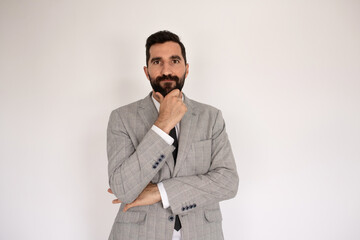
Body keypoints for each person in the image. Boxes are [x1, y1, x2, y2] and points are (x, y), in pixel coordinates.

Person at [107, 30, 239, 240]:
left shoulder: (211, 117)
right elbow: (123, 188)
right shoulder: (122, 118)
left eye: (174, 61)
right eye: (157, 61)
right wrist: (162, 124)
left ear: (186, 69)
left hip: (202, 233)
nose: (166, 70)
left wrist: (160, 192)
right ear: (146, 71)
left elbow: (228, 182)